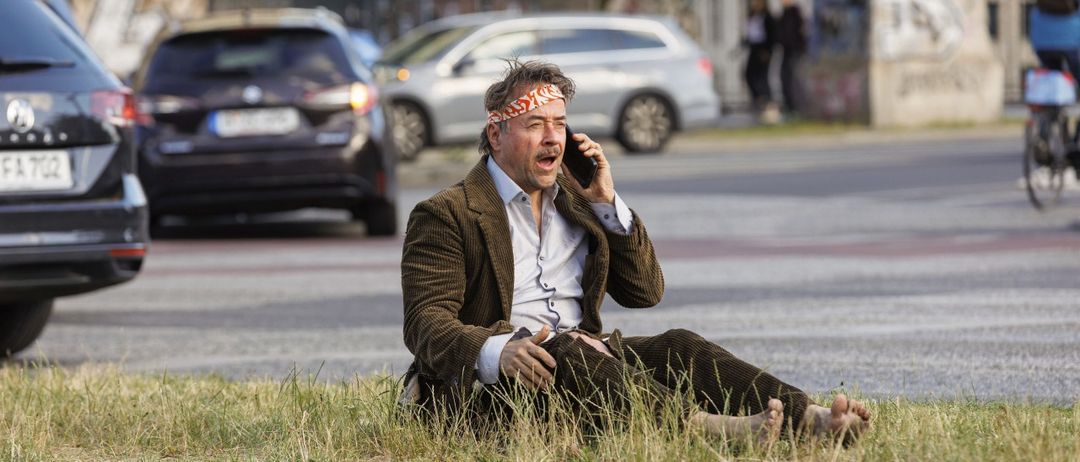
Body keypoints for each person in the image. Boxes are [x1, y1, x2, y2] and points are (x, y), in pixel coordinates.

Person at [400, 60, 871, 442]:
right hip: (499, 385)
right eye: (536, 124)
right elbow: (425, 324)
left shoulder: (578, 197)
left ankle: (806, 417)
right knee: (565, 347)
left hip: (589, 361)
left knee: (680, 347)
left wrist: (607, 204)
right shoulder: (447, 213)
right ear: (498, 134)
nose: (552, 139)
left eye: (560, 125)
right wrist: (500, 350)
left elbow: (646, 291)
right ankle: (701, 431)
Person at [743, 0, 777, 113]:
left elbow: (772, 36)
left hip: (763, 51)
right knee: (748, 74)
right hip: (754, 49)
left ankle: (767, 103)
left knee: (762, 78)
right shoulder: (752, 15)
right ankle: (757, 99)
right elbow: (750, 33)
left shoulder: (767, 17)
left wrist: (767, 51)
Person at [1029, 2, 1080, 74]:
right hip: (1070, 44)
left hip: (1043, 45)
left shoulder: (1038, 11)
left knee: (1052, 70)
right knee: (1076, 71)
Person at [777, 0, 808, 115]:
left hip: (795, 52)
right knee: (784, 78)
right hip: (786, 51)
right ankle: (789, 107)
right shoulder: (784, 14)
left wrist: (799, 49)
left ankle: (796, 108)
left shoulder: (795, 13)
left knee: (794, 80)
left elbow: (798, 34)